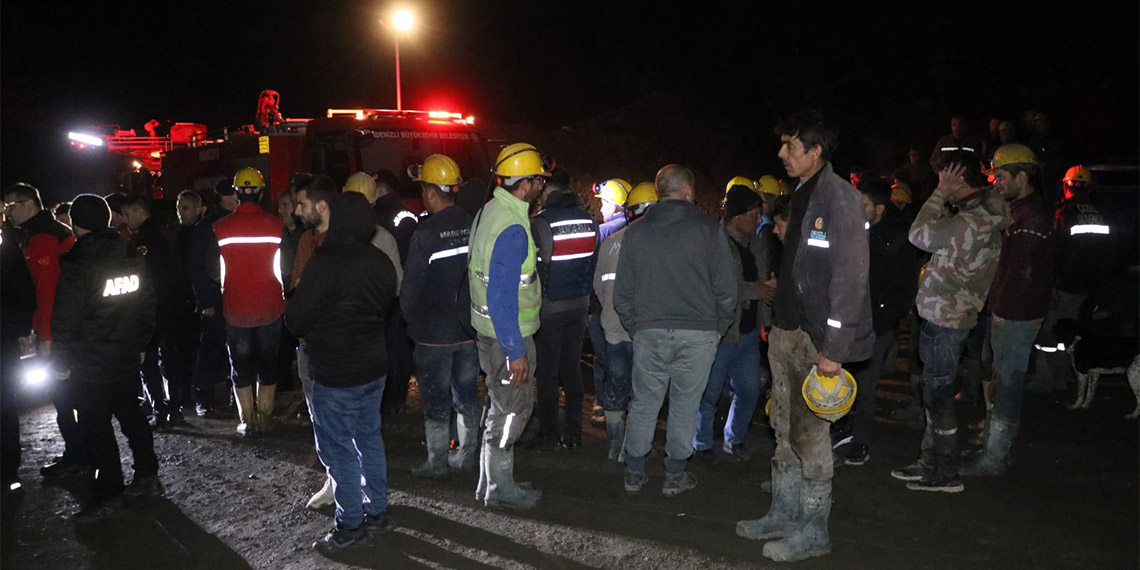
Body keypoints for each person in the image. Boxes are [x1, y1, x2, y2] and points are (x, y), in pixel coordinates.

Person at [736, 111, 873, 562]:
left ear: (815, 152)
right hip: (787, 332)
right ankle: (783, 513)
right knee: (783, 428)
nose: (781, 153)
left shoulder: (840, 199)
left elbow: (851, 279)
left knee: (811, 437)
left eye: (791, 146)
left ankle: (814, 531)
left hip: (816, 341)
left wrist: (835, 350)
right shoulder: (800, 195)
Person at [889, 152, 1009, 492]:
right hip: (944, 314)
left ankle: (945, 472)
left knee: (939, 396)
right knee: (934, 394)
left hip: (947, 319)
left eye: (945, 179)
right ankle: (930, 462)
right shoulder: (980, 212)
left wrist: (939, 195)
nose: (940, 185)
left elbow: (919, 235)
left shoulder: (971, 221)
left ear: (960, 179)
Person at [286, 192, 398, 551]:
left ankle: (350, 525)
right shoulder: (381, 261)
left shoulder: (325, 262)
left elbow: (296, 320)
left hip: (335, 372)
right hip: (374, 368)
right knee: (369, 439)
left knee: (339, 450)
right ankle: (377, 510)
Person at [615, 164, 736, 497]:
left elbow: (622, 293)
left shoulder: (636, 233)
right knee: (685, 404)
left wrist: (637, 327)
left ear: (659, 192)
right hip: (698, 335)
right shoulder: (709, 232)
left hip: (650, 332)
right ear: (688, 191)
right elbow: (727, 290)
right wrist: (718, 329)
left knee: (643, 403)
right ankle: (674, 475)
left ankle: (634, 473)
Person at [50, 194, 161, 521]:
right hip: (125, 354)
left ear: (76, 224)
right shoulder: (130, 252)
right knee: (132, 416)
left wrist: (61, 361)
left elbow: (66, 319)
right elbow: (147, 302)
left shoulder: (78, 263)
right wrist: (141, 343)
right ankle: (147, 477)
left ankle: (110, 494)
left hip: (90, 362)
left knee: (96, 429)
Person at [962, 144, 1054, 477]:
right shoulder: (1020, 211)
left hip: (1017, 315)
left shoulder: (1031, 218)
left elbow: (1021, 276)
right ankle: (994, 448)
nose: (996, 183)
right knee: (1002, 381)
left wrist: (1000, 311)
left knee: (1007, 384)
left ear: (1022, 176)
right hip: (1007, 311)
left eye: (1001, 176)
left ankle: (995, 459)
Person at [468, 142, 551, 510]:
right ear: (525, 184)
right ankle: (499, 487)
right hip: (508, 336)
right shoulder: (514, 227)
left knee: (499, 405)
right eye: (538, 181)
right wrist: (516, 351)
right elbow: (502, 295)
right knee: (513, 410)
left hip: (489, 332)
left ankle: (489, 481)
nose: (541, 187)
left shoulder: (490, 210)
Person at [400, 155, 480, 479]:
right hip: (469, 331)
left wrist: (410, 321)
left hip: (434, 336)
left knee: (435, 399)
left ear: (432, 192)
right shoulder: (473, 225)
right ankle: (467, 455)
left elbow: (410, 290)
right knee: (467, 395)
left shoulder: (426, 234)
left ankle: (436, 462)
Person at [3, 183, 85, 478]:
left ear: (28, 204)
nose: (7, 213)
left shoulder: (42, 238)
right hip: (69, 326)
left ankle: (79, 456)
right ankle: (81, 454)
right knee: (71, 397)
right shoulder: (49, 231)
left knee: (64, 398)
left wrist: (46, 335)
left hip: (58, 330)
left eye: (10, 206)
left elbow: (47, 291)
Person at [839, 177, 919, 466]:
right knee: (842, 378)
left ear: (880, 208)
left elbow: (905, 286)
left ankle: (860, 441)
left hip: (876, 324)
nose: (856, 209)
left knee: (867, 384)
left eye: (863, 204)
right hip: (849, 320)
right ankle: (843, 427)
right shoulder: (855, 230)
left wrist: (884, 320)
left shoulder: (897, 240)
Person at [694, 184, 771, 464]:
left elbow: (762, 281)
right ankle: (701, 443)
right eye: (754, 215)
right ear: (737, 218)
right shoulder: (713, 244)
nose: (760, 219)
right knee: (709, 393)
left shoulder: (756, 243)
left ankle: (734, 439)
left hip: (748, 333)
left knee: (750, 390)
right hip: (721, 334)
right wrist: (758, 290)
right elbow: (715, 287)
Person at [1026, 165, 1115, 394]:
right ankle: (1062, 379)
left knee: (1049, 334)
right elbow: (1109, 254)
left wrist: (1047, 280)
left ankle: (1045, 381)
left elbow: (1054, 251)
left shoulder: (1065, 212)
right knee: (1070, 334)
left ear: (1067, 185)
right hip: (1088, 288)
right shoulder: (1102, 213)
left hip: (1063, 285)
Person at [528, 167, 599, 452]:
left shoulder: (541, 223)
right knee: (571, 370)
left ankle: (549, 435)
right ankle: (573, 432)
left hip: (549, 309)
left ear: (546, 191)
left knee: (547, 375)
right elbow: (592, 266)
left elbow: (533, 270)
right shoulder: (590, 222)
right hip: (579, 306)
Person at [212, 167, 285, 436]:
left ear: (236, 193)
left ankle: (247, 420)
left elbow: (212, 270)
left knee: (241, 366)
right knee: (268, 364)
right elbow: (287, 268)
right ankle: (265, 417)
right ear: (261, 193)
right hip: (270, 308)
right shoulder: (276, 226)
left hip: (236, 309)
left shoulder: (220, 228)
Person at [592, 181, 658, 461]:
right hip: (647, 332)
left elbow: (598, 286)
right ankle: (635, 447)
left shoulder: (610, 242)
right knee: (643, 390)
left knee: (616, 385)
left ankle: (615, 445)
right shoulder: (659, 244)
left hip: (614, 329)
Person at [122, 195, 196, 427]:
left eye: (127, 214)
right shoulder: (167, 232)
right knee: (170, 359)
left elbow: (141, 277)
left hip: (152, 309)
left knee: (148, 361)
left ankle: (160, 410)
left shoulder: (143, 239)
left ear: (138, 211)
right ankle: (175, 408)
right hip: (172, 306)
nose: (125, 219)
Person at [180, 185, 232, 417]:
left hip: (229, 296)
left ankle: (229, 396)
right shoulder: (208, 226)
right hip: (216, 298)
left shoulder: (219, 223)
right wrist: (205, 302)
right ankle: (203, 397)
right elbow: (198, 268)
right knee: (212, 349)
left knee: (229, 349)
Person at [372, 169, 417, 415]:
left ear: (380, 188)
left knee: (386, 346)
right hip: (403, 289)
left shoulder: (374, 217)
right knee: (400, 346)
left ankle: (387, 398)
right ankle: (397, 398)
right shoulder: (407, 214)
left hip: (381, 292)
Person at [1, 224, 36, 492]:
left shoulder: (6, 250)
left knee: (4, 406)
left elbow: (23, 291)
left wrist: (21, 330)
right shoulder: (7, 249)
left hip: (3, 339)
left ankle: (7, 471)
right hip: (5, 338)